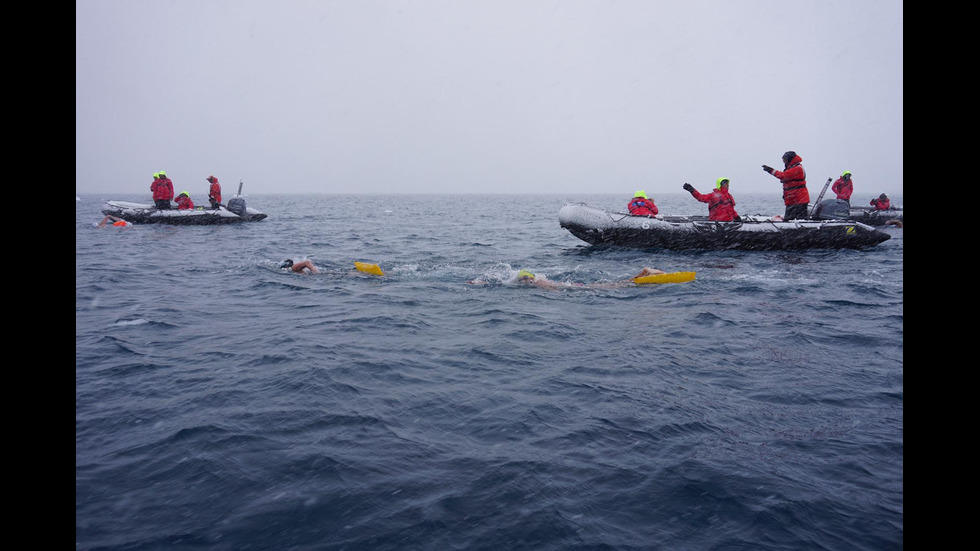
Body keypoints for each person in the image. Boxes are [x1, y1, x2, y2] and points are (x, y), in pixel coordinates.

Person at [513, 267, 666, 290]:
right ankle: (643, 275)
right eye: (524, 279)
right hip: (574, 285)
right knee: (616, 285)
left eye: (527, 278)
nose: (527, 280)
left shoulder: (539, 282)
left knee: (616, 286)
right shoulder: (538, 281)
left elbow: (554, 290)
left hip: (576, 287)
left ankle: (646, 274)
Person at [763, 151, 809, 220]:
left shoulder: (797, 168)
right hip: (794, 200)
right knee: (790, 219)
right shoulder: (792, 168)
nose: (784, 162)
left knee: (795, 220)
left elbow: (783, 176)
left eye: (785, 160)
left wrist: (770, 170)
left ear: (790, 159)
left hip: (798, 201)